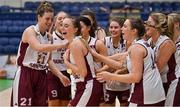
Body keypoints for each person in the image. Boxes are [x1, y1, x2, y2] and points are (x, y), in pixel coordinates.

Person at [89, 18, 166, 106]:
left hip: (145, 94)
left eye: (125, 26)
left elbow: (135, 77)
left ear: (133, 31)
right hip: (153, 92)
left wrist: (110, 76)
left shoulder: (136, 48)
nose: (122, 29)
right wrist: (100, 57)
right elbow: (122, 59)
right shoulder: (140, 43)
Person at [11, 1, 68, 106]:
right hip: (26, 73)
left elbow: (49, 60)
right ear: (39, 17)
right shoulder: (30, 31)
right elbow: (39, 47)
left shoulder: (49, 37)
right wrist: (62, 45)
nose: (50, 22)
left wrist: (60, 75)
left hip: (41, 74)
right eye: (47, 18)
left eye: (51, 19)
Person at [63, 16, 107, 106]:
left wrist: (66, 62)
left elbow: (83, 72)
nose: (62, 28)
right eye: (62, 25)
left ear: (75, 29)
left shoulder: (76, 44)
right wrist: (71, 70)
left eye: (66, 26)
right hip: (84, 84)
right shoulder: (76, 42)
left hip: (88, 84)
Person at [100, 17, 130, 106]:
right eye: (111, 27)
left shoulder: (127, 42)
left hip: (124, 84)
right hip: (108, 84)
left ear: (121, 28)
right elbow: (103, 62)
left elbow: (127, 66)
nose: (113, 30)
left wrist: (115, 71)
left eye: (116, 27)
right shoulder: (104, 41)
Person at [145, 12, 176, 95]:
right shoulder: (150, 40)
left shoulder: (166, 43)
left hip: (169, 83)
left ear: (157, 26)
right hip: (157, 82)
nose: (145, 25)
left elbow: (157, 68)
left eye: (148, 23)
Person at [47, 11, 71, 106]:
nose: (62, 20)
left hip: (67, 73)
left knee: (65, 103)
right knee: (53, 102)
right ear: (55, 23)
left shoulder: (71, 38)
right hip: (53, 73)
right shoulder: (50, 37)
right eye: (59, 18)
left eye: (64, 18)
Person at [165, 13, 180, 106]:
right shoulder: (171, 40)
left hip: (177, 80)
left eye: (168, 22)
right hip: (171, 79)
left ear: (177, 24)